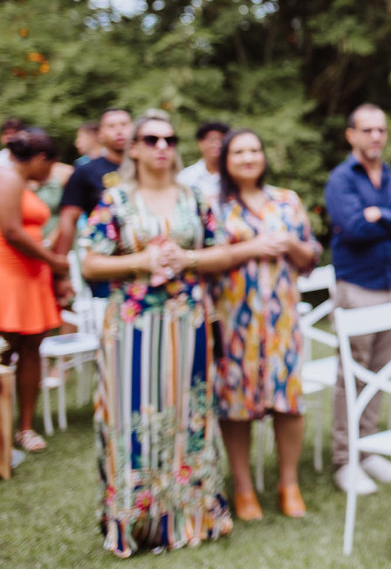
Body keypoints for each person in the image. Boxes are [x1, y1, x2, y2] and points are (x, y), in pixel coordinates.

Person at [80, 111, 285, 557]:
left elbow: (219, 254)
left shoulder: (194, 198)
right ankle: (135, 518)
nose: (161, 146)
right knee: (130, 418)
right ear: (133, 147)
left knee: (186, 417)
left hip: (185, 324)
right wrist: (141, 262)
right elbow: (90, 263)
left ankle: (189, 513)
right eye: (150, 138)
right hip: (131, 327)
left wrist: (186, 259)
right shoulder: (115, 200)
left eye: (169, 138)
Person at [210, 129, 322, 520]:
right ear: (225, 159)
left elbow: (311, 257)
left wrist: (290, 245)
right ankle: (243, 488)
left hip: (282, 323)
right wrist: (249, 249)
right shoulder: (213, 205)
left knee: (289, 401)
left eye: (254, 149)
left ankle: (288, 484)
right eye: (238, 151)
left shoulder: (287, 201)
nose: (248, 157)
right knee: (236, 405)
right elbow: (202, 260)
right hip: (234, 323)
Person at [324, 103, 391, 495]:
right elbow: (351, 228)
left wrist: (378, 215)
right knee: (352, 375)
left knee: (380, 373)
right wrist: (390, 219)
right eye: (367, 130)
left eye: (380, 130)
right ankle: (345, 459)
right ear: (351, 135)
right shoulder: (341, 179)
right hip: (359, 288)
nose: (375, 137)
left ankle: (369, 451)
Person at [0, 129, 69, 454]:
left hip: (32, 278)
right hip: (10, 277)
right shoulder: (10, 178)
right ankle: (11, 429)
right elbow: (12, 231)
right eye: (50, 165)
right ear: (41, 159)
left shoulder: (21, 182)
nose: (49, 174)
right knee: (8, 353)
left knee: (31, 352)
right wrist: (54, 261)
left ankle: (23, 427)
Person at [57, 108, 131, 261]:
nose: (119, 131)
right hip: (104, 258)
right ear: (100, 134)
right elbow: (69, 219)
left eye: (124, 124)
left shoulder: (147, 169)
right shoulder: (85, 171)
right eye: (111, 126)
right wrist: (61, 267)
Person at [177, 121, 230, 201]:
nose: (217, 144)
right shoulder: (186, 178)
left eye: (222, 140)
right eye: (212, 140)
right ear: (200, 143)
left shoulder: (234, 177)